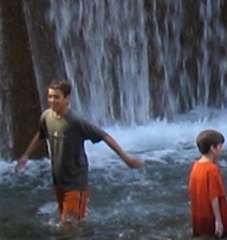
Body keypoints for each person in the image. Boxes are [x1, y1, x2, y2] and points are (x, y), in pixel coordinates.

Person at [14, 78, 144, 227]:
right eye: (50, 97)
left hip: (76, 182)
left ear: (67, 99)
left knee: (71, 226)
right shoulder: (46, 117)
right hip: (59, 181)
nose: (52, 101)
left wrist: (126, 159)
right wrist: (25, 156)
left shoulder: (75, 121)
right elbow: (41, 134)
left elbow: (104, 136)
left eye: (57, 97)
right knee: (65, 221)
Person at [188, 129, 227, 238]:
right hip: (213, 219)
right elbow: (214, 196)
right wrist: (218, 220)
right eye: (220, 146)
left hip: (200, 217)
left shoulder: (196, 166)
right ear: (212, 149)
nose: (222, 149)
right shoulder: (212, 169)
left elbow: (191, 190)